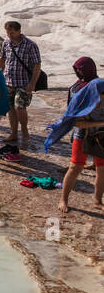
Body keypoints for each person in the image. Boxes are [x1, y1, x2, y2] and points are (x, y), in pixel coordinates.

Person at [55, 57, 104, 215]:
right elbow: (76, 122)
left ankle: (97, 201)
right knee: (75, 167)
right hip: (82, 134)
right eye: (77, 70)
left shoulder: (100, 86)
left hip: (101, 135)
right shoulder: (77, 89)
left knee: (102, 169)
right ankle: (63, 199)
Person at [1, 21, 42, 146]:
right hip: (8, 81)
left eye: (12, 32)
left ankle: (24, 130)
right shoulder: (6, 43)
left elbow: (37, 65)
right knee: (10, 108)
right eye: (8, 32)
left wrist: (32, 83)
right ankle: (13, 132)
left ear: (19, 31)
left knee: (20, 107)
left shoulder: (30, 45)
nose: (9, 35)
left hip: (24, 82)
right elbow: (2, 59)